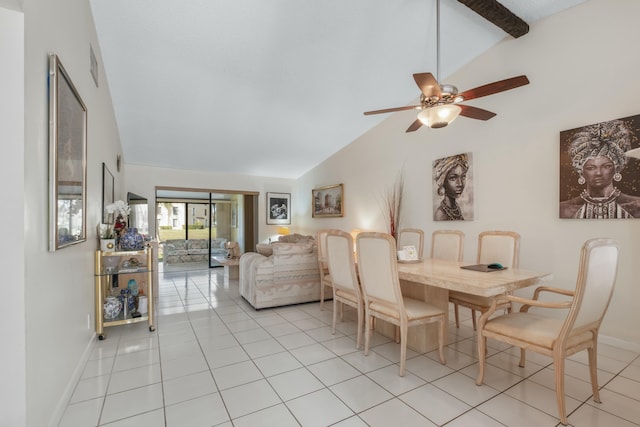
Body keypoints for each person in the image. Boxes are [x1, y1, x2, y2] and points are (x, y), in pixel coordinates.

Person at [560, 119, 640, 218]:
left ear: (617, 168)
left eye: (606, 166)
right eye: (591, 168)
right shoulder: (564, 210)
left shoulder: (636, 206)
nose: (598, 173)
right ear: (581, 171)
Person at [433, 154, 469, 221]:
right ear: (443, 181)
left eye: (463, 177)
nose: (460, 184)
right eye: (453, 178)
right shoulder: (440, 214)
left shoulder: (455, 207)